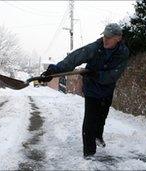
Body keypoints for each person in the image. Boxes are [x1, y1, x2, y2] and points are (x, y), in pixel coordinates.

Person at [39, 23, 129, 159]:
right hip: (92, 88)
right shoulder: (95, 47)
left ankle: (98, 136)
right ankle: (89, 152)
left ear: (118, 38)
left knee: (102, 116)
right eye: (104, 36)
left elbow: (114, 74)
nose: (105, 39)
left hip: (107, 88)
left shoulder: (123, 52)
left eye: (109, 37)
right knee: (90, 120)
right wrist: (54, 70)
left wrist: (97, 74)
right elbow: (74, 58)